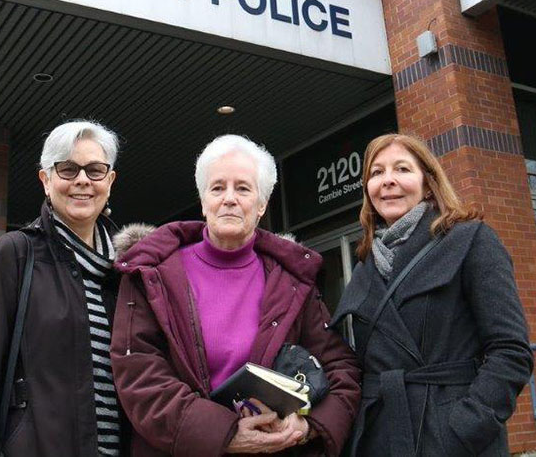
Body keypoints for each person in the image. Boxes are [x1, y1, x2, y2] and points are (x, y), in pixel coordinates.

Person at [110, 134, 360, 456]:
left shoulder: (293, 279)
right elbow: (139, 376)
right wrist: (224, 434)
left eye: (243, 188)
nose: (229, 198)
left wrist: (309, 425)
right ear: (203, 201)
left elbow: (341, 369)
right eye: (217, 188)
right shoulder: (152, 274)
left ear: (262, 205)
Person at [332, 133, 533, 456]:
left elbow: (511, 350)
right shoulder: (366, 263)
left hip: (449, 436)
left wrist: (466, 427)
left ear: (428, 183)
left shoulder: (471, 240)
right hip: (379, 437)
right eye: (376, 172)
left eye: (402, 169)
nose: (388, 181)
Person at [0, 120, 128, 456]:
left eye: (95, 170)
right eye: (68, 169)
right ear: (46, 180)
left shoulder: (126, 271)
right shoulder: (16, 253)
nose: (83, 180)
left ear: (110, 181)